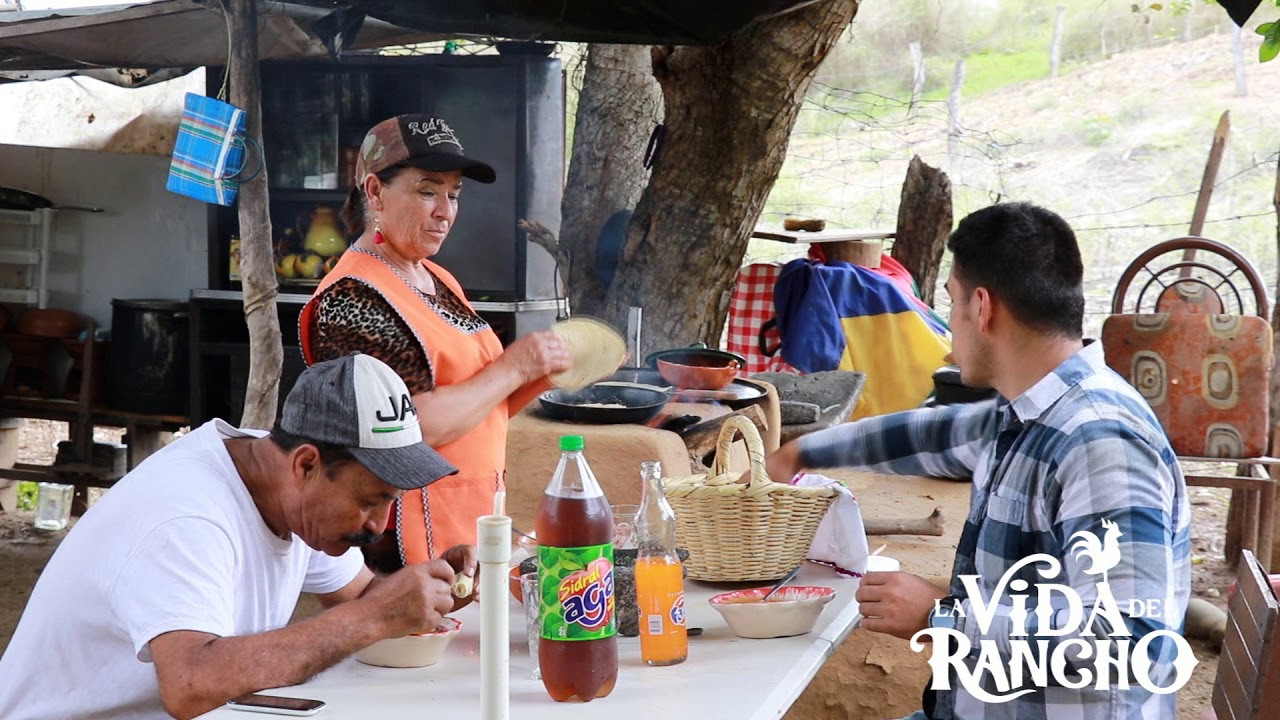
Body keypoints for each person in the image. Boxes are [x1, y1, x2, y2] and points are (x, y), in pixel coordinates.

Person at [765, 203, 1190, 720]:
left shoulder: (1100, 442)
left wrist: (940, 615)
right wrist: (802, 452)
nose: (949, 334)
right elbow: (935, 434)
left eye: (952, 303)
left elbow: (1130, 642)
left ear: (982, 308)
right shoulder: (1029, 410)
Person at [0, 354, 477, 720]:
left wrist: (429, 591)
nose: (379, 524)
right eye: (371, 500)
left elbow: (364, 595)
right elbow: (190, 684)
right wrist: (373, 617)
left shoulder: (283, 484)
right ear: (306, 465)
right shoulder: (188, 514)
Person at [300, 114, 571, 570]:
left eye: (453, 194)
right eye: (427, 191)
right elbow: (410, 429)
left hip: (470, 518)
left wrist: (539, 373)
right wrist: (513, 368)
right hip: (402, 540)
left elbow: (479, 407)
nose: (445, 210)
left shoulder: (434, 278)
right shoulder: (353, 294)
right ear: (374, 192)